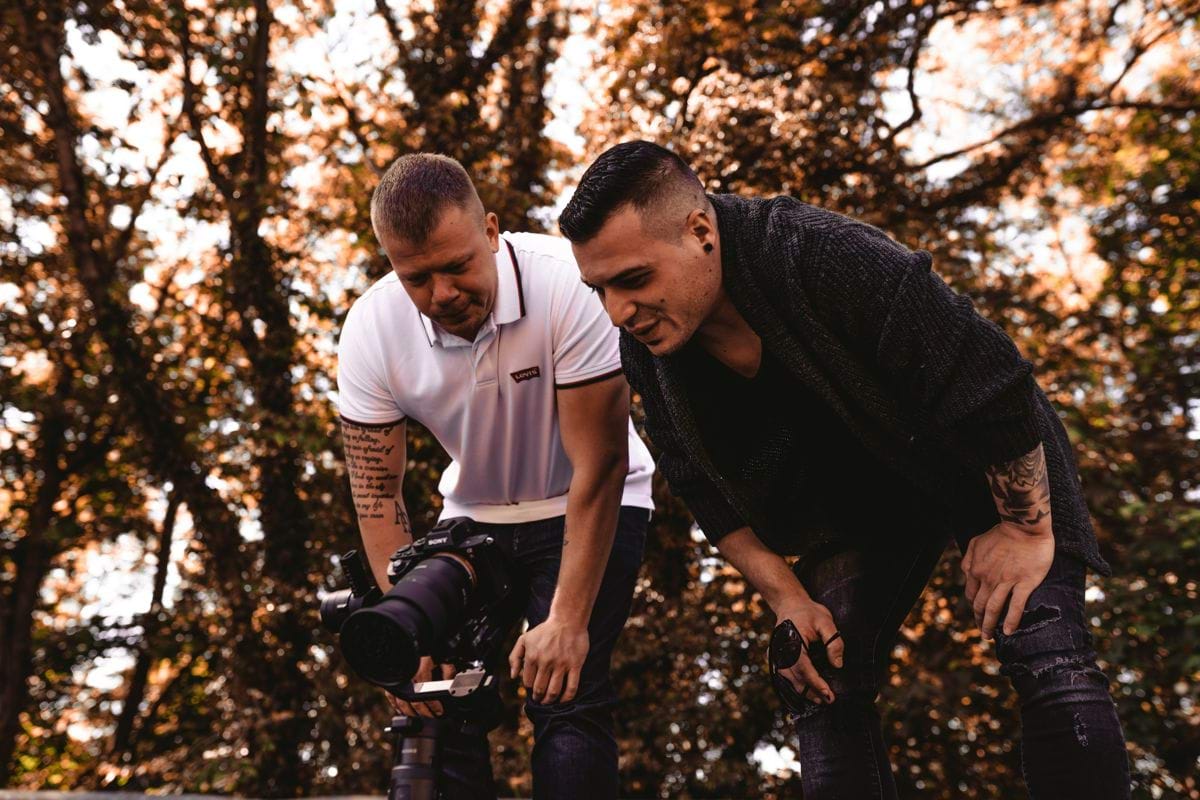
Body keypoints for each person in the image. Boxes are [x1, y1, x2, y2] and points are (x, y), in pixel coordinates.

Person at [558, 140, 1130, 799]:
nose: (617, 312)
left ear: (700, 230)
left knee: (1047, 650)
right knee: (814, 671)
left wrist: (1025, 531)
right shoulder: (649, 356)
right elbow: (700, 491)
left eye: (633, 279)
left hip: (982, 458)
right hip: (854, 507)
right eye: (597, 289)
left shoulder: (817, 250)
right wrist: (787, 598)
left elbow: (989, 378)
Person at [336, 152, 654, 799]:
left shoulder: (567, 283)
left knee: (564, 694)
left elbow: (601, 463)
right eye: (417, 278)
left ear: (491, 230)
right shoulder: (372, 327)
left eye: (457, 266)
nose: (443, 294)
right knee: (434, 696)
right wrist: (409, 629)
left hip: (592, 500)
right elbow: (377, 495)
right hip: (474, 516)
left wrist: (566, 620)